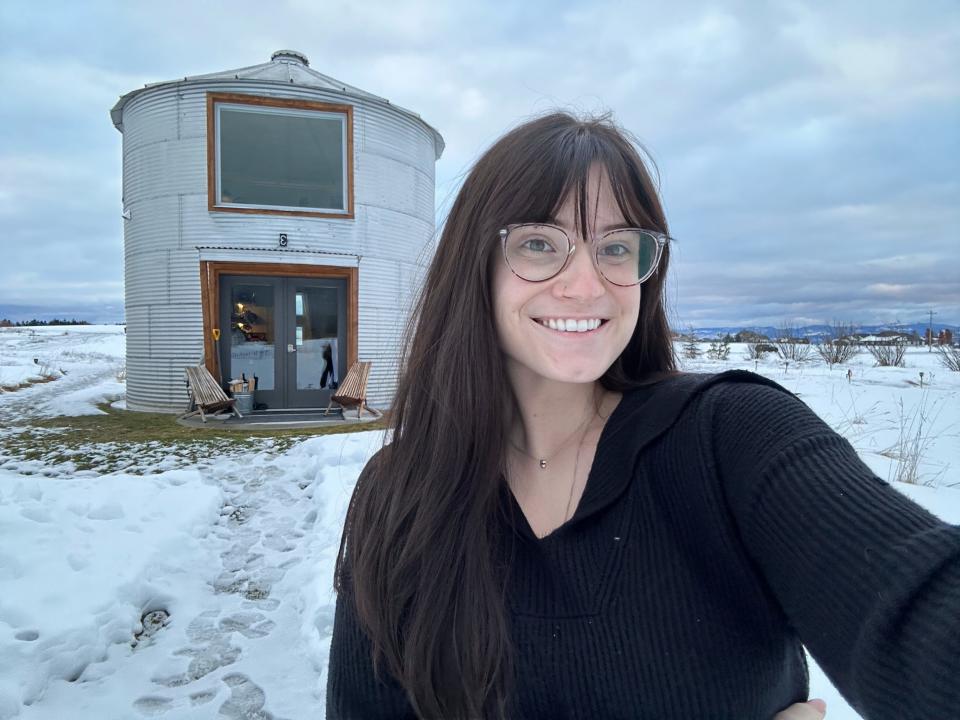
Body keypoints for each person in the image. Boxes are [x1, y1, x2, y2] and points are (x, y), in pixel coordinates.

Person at [326, 113, 959, 719]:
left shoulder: (729, 437)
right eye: (540, 244)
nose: (586, 284)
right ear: (477, 267)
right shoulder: (401, 496)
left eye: (617, 247)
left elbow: (916, 606)